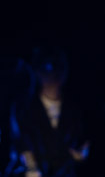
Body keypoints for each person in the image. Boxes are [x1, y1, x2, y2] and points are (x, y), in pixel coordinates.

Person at [10, 46, 90, 177]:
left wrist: (80, 154)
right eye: (47, 69)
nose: (52, 75)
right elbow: (21, 142)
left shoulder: (74, 109)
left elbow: (81, 143)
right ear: (37, 72)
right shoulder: (24, 107)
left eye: (57, 69)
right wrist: (32, 168)